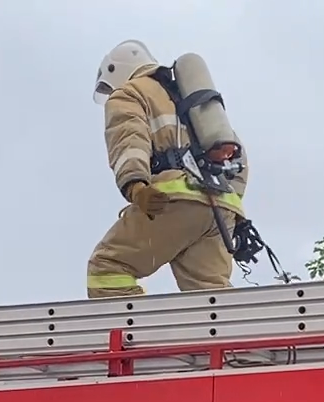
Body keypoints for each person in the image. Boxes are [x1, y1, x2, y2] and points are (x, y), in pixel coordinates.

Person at [85, 39, 248, 298]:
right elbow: (237, 155)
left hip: (173, 200)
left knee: (106, 269)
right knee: (210, 295)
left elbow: (129, 140)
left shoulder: (129, 93)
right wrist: (232, 210)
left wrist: (136, 186)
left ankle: (138, 325)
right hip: (222, 209)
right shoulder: (192, 100)